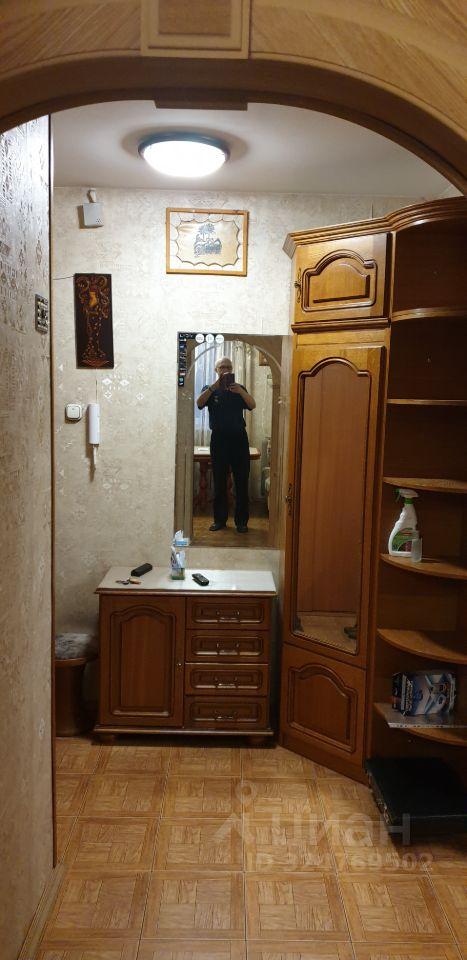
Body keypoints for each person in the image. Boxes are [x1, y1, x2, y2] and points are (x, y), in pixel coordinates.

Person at [197, 356, 256, 533]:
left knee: (241, 481)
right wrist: (214, 387)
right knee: (219, 481)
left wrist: (241, 392)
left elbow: (252, 405)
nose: (225, 369)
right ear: (216, 370)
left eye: (228, 367)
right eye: (222, 367)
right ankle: (219, 520)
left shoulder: (239, 388)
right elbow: (199, 403)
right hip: (219, 439)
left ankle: (241, 522)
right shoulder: (209, 388)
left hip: (239, 439)